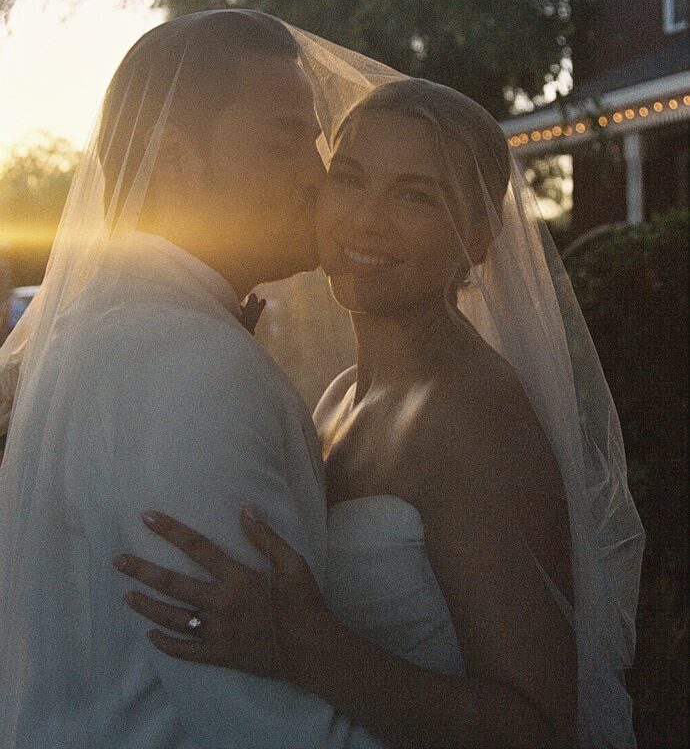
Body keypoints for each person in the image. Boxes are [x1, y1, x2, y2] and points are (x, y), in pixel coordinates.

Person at [115, 78, 645, 749]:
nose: (365, 219)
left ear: (479, 236)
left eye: (415, 195)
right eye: (349, 179)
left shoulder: (465, 415)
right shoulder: (340, 395)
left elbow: (537, 726)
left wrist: (306, 652)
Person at [0, 10, 385, 749]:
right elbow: (261, 722)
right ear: (174, 160)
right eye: (285, 143)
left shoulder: (94, 326)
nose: (319, 174)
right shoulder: (191, 369)